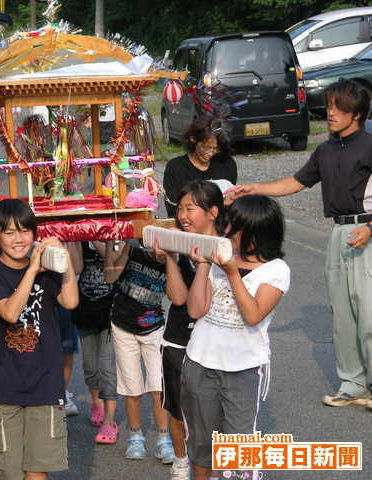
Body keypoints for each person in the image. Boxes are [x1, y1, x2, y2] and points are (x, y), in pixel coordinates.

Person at [229, 79, 372, 409]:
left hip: (365, 231)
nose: (330, 112)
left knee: (368, 312)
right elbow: (295, 182)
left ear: (358, 113)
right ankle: (353, 385)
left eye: (339, 107)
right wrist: (255, 189)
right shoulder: (326, 150)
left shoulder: (369, 145)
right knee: (343, 313)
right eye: (330, 106)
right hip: (339, 234)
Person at [181, 195, 290, 480]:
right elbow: (195, 309)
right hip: (200, 361)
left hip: (243, 369)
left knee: (238, 449)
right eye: (229, 225)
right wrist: (204, 264)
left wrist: (231, 273)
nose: (228, 232)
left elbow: (253, 314)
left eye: (236, 228)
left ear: (257, 233)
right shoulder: (220, 258)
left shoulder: (276, 270)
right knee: (203, 444)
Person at [0, 199, 78, 480]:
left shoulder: (48, 270)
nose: (19, 239)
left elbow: (70, 301)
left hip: (44, 385)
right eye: (9, 232)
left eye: (25, 231)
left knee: (37, 471)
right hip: (4, 386)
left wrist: (65, 260)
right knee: (8, 472)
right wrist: (32, 271)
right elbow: (10, 312)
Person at [154, 180, 226, 480]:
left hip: (217, 343)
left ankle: (221, 464)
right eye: (180, 209)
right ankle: (181, 459)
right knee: (177, 410)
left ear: (212, 212)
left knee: (217, 414)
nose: (183, 215)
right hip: (179, 339)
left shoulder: (227, 248)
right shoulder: (179, 243)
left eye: (190, 209)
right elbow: (179, 298)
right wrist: (171, 256)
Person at [103, 240, 174, 463]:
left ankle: (164, 440)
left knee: (157, 387)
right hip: (123, 327)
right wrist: (127, 248)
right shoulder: (133, 250)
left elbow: (175, 296)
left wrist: (171, 259)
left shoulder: (173, 261)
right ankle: (135, 436)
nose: (159, 253)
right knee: (132, 387)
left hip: (154, 328)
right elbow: (110, 278)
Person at [67, 241, 120, 444]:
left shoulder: (114, 233)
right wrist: (73, 237)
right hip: (86, 309)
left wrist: (101, 236)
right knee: (90, 366)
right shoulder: (81, 237)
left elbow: (114, 261)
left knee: (107, 367)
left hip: (111, 311)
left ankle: (109, 419)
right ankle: (96, 402)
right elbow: (77, 267)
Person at [162, 116, 237, 217]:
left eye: (215, 149)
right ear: (193, 139)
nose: (211, 153)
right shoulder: (175, 168)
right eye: (206, 147)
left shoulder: (227, 164)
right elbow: (173, 209)